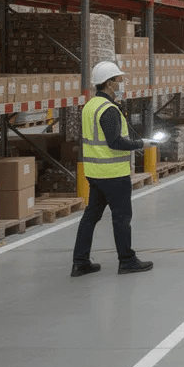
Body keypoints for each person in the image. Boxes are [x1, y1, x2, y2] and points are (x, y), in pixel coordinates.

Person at [72, 62, 153, 277]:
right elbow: (115, 142)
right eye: (118, 80)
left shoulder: (90, 105)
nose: (121, 83)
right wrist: (140, 144)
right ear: (108, 83)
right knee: (122, 218)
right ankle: (127, 260)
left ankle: (80, 262)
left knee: (91, 216)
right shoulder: (108, 110)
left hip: (95, 172)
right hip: (113, 174)